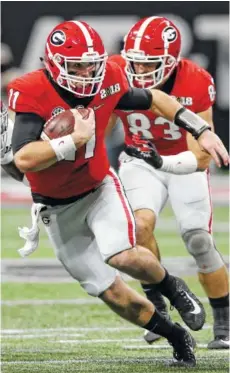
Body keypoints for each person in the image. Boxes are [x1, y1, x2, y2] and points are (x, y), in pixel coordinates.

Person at [6, 20, 228, 366]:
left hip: (99, 188)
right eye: (76, 65)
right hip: (55, 206)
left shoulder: (109, 77)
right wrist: (71, 140)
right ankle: (176, 335)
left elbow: (154, 97)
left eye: (91, 64)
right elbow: (23, 159)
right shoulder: (30, 90)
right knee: (109, 291)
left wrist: (201, 129)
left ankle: (173, 288)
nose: (86, 72)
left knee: (122, 254)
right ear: (53, 63)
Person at [108, 16, 229, 349]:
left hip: (183, 163)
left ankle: (224, 317)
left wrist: (162, 162)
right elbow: (102, 122)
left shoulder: (194, 80)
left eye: (149, 64)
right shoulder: (114, 70)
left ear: (172, 60)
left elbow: (202, 157)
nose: (140, 71)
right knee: (139, 227)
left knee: (198, 239)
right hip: (138, 159)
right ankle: (159, 302)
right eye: (134, 62)